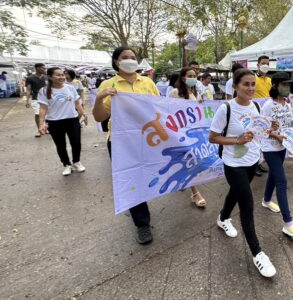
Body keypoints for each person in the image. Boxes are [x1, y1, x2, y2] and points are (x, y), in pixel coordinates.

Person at [209, 68, 276, 278]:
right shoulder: (226, 109)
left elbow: (257, 132)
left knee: (236, 194)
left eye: (253, 84)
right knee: (247, 204)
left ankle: (222, 218)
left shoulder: (256, 106)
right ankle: (258, 253)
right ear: (236, 86)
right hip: (233, 163)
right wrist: (237, 140)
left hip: (251, 161)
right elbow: (213, 137)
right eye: (246, 84)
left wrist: (270, 128)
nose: (250, 88)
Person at [93, 46, 160, 244]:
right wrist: (99, 98)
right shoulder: (109, 84)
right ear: (116, 62)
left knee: (148, 175)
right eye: (125, 57)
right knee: (131, 181)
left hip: (148, 139)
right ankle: (142, 224)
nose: (130, 60)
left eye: (133, 57)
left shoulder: (147, 82)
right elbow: (99, 116)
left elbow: (160, 108)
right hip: (121, 143)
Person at [261, 72, 293, 237]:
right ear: (275, 86)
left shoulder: (286, 104)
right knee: (281, 181)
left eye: (288, 85)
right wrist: (276, 135)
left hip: (283, 147)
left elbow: (288, 124)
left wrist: (291, 137)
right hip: (270, 148)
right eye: (284, 85)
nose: (287, 88)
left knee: (273, 174)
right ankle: (288, 223)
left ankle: (266, 200)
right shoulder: (268, 105)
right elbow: (263, 128)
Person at [169, 67, 207, 208]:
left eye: (195, 75)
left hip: (193, 132)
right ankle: (195, 192)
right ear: (183, 77)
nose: (193, 77)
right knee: (190, 161)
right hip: (180, 133)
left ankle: (184, 181)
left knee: (192, 160)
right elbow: (169, 111)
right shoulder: (175, 92)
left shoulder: (195, 93)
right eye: (190, 75)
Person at [38, 67, 87, 176]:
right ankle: (66, 164)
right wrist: (41, 123)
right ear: (50, 77)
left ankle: (76, 162)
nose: (61, 77)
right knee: (60, 145)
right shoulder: (44, 91)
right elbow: (43, 108)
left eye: (62, 75)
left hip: (72, 120)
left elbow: (77, 103)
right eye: (58, 75)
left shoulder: (70, 88)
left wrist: (83, 114)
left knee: (76, 143)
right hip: (54, 122)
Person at [253, 55, 272, 176]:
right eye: (263, 63)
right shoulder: (253, 79)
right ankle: (254, 166)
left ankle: (259, 163)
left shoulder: (269, 80)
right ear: (258, 65)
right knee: (255, 139)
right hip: (255, 113)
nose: (265, 65)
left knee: (262, 139)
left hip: (266, 115)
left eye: (267, 63)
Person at [25, 63, 47, 137]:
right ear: (37, 68)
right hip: (36, 98)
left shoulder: (46, 77)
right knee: (37, 114)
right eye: (43, 68)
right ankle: (39, 130)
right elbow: (28, 90)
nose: (45, 69)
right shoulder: (30, 78)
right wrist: (27, 101)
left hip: (46, 98)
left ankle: (45, 128)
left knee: (46, 114)